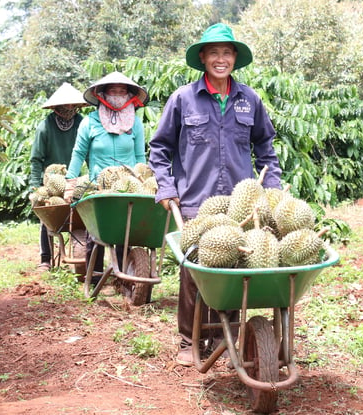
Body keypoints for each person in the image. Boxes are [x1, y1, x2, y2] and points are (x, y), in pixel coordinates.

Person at [148, 23, 282, 366]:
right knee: (194, 274)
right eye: (214, 53)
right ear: (203, 58)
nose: (220, 59)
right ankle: (189, 340)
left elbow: (266, 147)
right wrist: (166, 187)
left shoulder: (249, 99)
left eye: (227, 52)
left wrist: (272, 188)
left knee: (237, 272)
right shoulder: (183, 99)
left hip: (241, 205)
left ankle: (228, 334)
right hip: (196, 200)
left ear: (234, 58)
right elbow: (160, 149)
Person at [65, 71, 148, 275]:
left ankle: (123, 275)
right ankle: (93, 275)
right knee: (96, 233)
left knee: (125, 231)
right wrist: (70, 183)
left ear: (129, 95)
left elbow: (140, 157)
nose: (118, 95)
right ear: (103, 94)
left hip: (127, 186)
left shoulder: (135, 122)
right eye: (113, 91)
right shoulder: (89, 122)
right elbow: (78, 154)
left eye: (122, 91)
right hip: (98, 186)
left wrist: (145, 181)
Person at [29, 82, 89, 271]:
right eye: (66, 105)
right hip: (51, 180)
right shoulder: (45, 127)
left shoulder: (81, 123)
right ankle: (45, 258)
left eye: (73, 105)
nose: (70, 109)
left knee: (80, 215)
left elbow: (88, 151)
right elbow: (36, 159)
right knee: (48, 218)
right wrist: (35, 185)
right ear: (56, 107)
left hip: (73, 178)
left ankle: (82, 252)